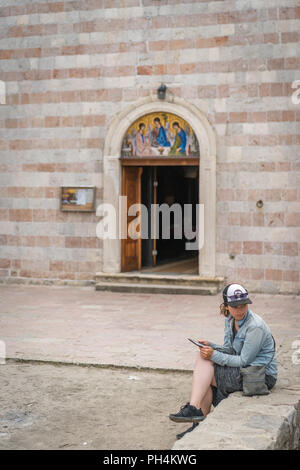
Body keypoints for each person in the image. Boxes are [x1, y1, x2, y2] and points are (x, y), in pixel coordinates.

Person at [169, 283, 277, 426]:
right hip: (246, 369)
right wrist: (211, 346)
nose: (240, 310)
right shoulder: (230, 320)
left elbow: (244, 360)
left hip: (261, 375)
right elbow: (229, 349)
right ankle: (197, 420)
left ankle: (195, 412)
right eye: (235, 306)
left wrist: (213, 355)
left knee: (206, 374)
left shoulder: (255, 326)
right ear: (226, 306)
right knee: (204, 361)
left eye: (243, 305)